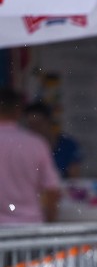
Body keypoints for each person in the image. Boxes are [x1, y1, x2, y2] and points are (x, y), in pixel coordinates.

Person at [0, 89, 62, 225]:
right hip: (29, 226)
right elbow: (52, 189)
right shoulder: (36, 144)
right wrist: (49, 219)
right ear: (19, 112)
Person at [22, 100, 83, 180]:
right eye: (31, 125)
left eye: (38, 124)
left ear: (49, 122)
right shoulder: (23, 147)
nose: (34, 129)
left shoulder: (68, 145)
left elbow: (74, 179)